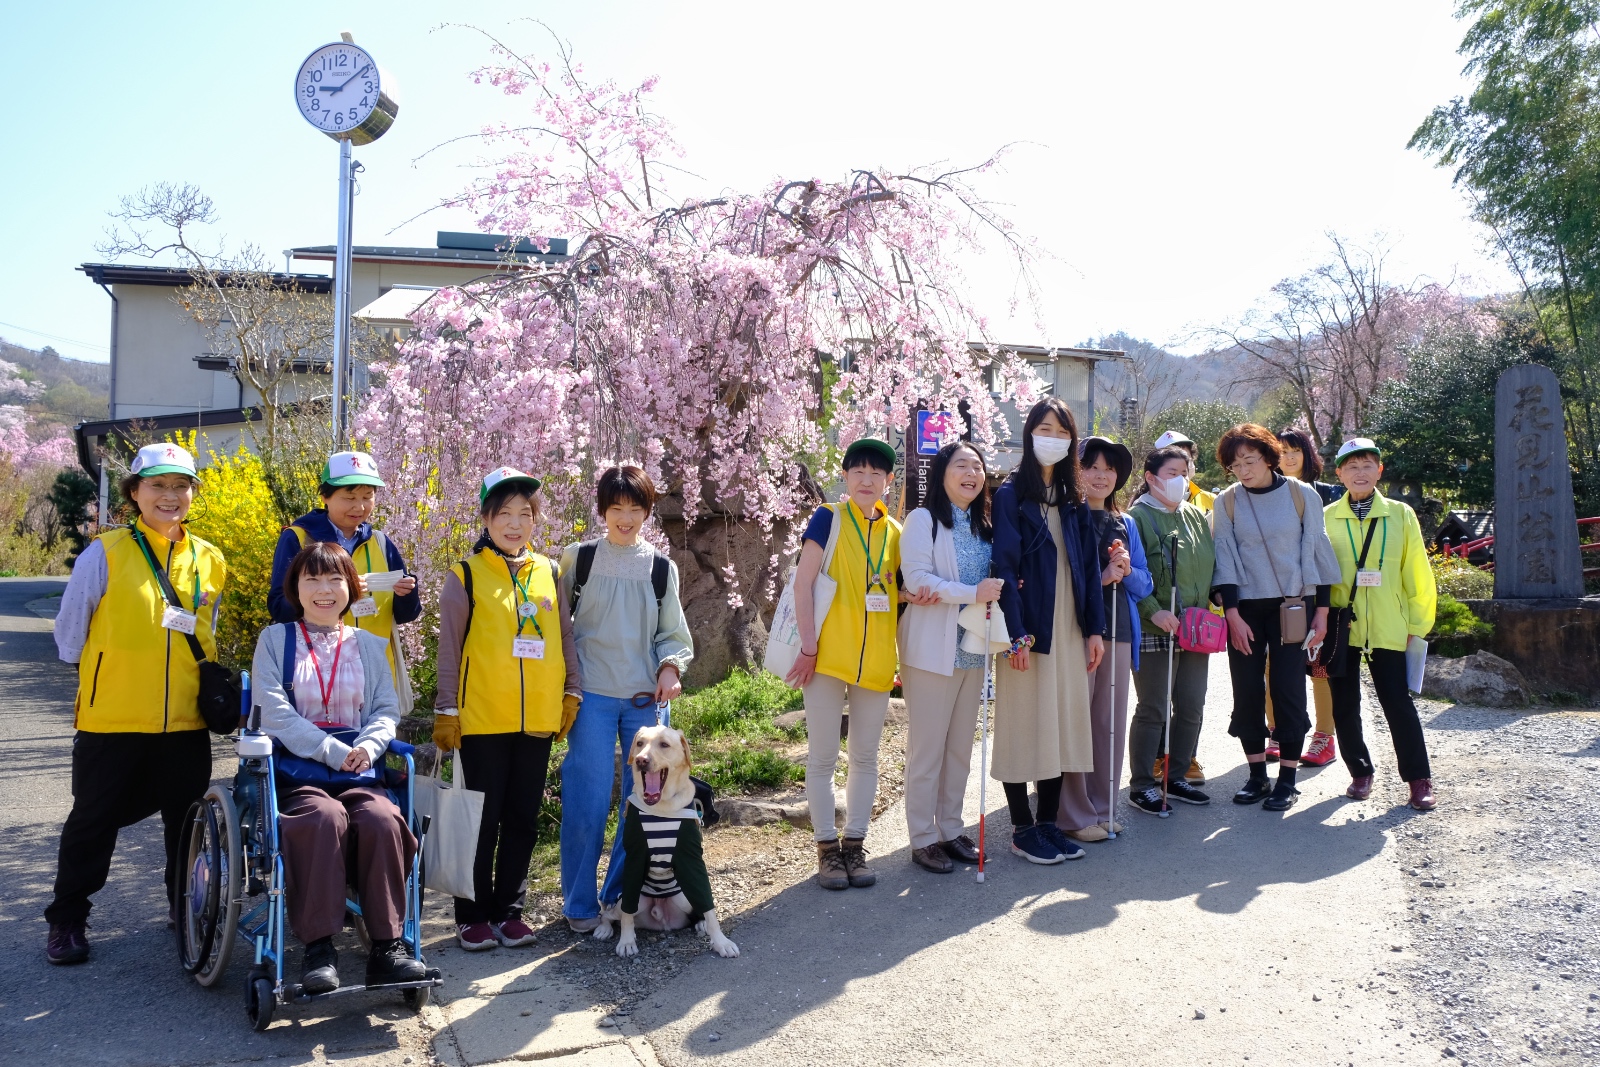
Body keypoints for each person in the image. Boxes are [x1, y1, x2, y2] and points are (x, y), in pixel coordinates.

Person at [45, 443, 226, 965]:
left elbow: (206, 633)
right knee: (93, 820)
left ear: (192, 493)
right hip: (113, 718)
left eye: (181, 486)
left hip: (184, 722)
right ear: (135, 493)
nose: (170, 496)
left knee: (186, 822)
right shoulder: (103, 553)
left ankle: (183, 907)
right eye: (158, 486)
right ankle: (67, 919)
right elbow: (70, 637)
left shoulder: (210, 558)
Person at [250, 542, 426, 992]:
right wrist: (329, 750)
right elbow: (274, 712)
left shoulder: (369, 643)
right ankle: (319, 948)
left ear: (351, 587)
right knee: (323, 818)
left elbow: (386, 709)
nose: (323, 590)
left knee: (384, 818)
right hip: (298, 766)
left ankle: (387, 947)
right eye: (312, 579)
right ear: (296, 587)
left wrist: (368, 747)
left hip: (359, 764)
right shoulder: (275, 640)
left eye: (334, 580)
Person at [431, 467, 581, 950]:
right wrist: (446, 709)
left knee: (521, 818)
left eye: (525, 514)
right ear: (486, 518)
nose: (515, 524)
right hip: (481, 720)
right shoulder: (465, 576)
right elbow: (450, 649)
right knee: (482, 819)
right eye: (504, 514)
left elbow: (564, 638)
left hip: (537, 717)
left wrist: (571, 691)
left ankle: (509, 911)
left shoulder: (549, 571)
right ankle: (472, 915)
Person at [558, 464, 694, 931]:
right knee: (586, 800)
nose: (625, 518)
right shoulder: (579, 559)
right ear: (602, 510)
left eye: (635, 509)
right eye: (616, 508)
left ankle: (618, 896)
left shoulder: (660, 567)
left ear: (647, 512)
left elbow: (672, 633)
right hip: (591, 696)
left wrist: (671, 667)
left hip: (644, 702)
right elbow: (556, 626)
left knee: (642, 804)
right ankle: (577, 904)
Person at [785, 438, 908, 891]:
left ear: (888, 482)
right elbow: (804, 582)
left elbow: (902, 590)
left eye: (876, 473)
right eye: (857, 471)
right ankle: (827, 851)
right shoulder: (828, 518)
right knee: (822, 758)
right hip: (826, 659)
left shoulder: (896, 533)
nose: (866, 479)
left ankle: (855, 845)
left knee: (865, 757)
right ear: (846, 476)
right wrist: (809, 646)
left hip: (876, 662)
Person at [991, 398, 1107, 864]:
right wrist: (1016, 633)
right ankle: (1022, 828)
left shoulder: (1074, 500)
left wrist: (1094, 629)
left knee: (1060, 723)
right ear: (1028, 434)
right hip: (1031, 628)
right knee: (1023, 724)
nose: (1052, 438)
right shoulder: (1009, 494)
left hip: (1070, 627)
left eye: (1062, 432)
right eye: (1044, 429)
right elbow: (1005, 564)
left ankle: (1048, 824)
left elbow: (1087, 567)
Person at [1211, 424, 1342, 812]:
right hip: (1246, 609)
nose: (1244, 470)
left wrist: (1322, 612)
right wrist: (1231, 612)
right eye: (1235, 465)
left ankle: (1287, 779)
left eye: (1250, 461)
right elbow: (1225, 556)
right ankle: (1256, 775)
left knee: (1288, 690)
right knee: (1247, 690)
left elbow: (1317, 550)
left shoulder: (1302, 495)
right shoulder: (1228, 501)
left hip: (1294, 607)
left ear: (1269, 457)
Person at [897, 441, 1002, 873]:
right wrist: (970, 593)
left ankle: (951, 829)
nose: (971, 473)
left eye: (977, 466)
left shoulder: (984, 526)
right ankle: (923, 838)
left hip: (972, 650)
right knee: (928, 748)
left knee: (960, 746)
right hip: (931, 650)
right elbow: (918, 577)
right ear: (942, 474)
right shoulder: (923, 520)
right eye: (961, 465)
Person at [1323, 439, 1439, 811]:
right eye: (1351, 466)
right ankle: (1359, 771)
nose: (1360, 472)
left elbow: (1416, 572)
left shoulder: (1400, 514)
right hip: (1344, 626)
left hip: (1390, 625)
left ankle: (1419, 780)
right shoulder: (1326, 518)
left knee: (1397, 704)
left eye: (1367, 465)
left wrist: (1417, 624)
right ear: (1338, 473)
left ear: (1379, 471)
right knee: (1344, 705)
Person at [267, 452, 421, 707]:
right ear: (325, 496)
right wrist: (333, 593)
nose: (359, 507)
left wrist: (408, 594)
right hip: (314, 678)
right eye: (349, 498)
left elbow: (405, 615)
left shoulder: (381, 543)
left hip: (374, 677)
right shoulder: (298, 539)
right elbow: (279, 607)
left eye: (367, 497)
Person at [1057, 437, 1152, 843]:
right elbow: (1061, 586)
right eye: (1091, 466)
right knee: (1078, 722)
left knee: (1107, 724)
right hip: (1078, 632)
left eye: (1109, 469)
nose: (1100, 475)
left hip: (1119, 632)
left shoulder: (1126, 523)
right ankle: (1074, 814)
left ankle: (1104, 807)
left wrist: (1126, 571)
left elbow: (1144, 585)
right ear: (1075, 471)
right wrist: (1101, 578)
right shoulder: (1065, 517)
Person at [1125, 445, 1216, 815]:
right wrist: (1154, 610)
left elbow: (1212, 567)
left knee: (1192, 704)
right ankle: (1142, 783)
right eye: (1172, 473)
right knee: (1153, 707)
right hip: (1154, 625)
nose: (1181, 480)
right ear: (1150, 477)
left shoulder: (1196, 516)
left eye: (1185, 472)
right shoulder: (1136, 518)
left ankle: (1176, 775)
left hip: (1195, 629)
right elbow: (1130, 573)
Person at [1270, 428, 1346, 768]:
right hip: (1273, 594)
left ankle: (1324, 737)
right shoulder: (1262, 493)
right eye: (1281, 451)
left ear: (1307, 454)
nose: (1288, 457)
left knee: (1318, 666)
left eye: (1295, 450)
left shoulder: (1327, 495)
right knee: (1272, 665)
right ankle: (1276, 731)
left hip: (1313, 593)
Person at [1151, 430, 1216, 513]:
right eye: (1172, 464)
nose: (1181, 467)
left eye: (1186, 459)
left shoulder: (1213, 501)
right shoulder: (1143, 509)